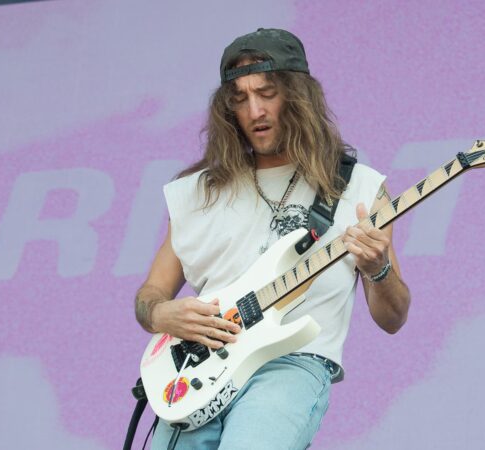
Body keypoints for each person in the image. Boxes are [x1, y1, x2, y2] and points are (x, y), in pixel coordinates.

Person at [134, 28, 411, 450]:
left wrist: (378, 268)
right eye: (240, 98)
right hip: (202, 367)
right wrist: (161, 315)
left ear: (297, 97)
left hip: (292, 362)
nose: (255, 110)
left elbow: (393, 318)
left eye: (267, 93)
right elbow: (151, 292)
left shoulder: (358, 188)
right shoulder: (198, 192)